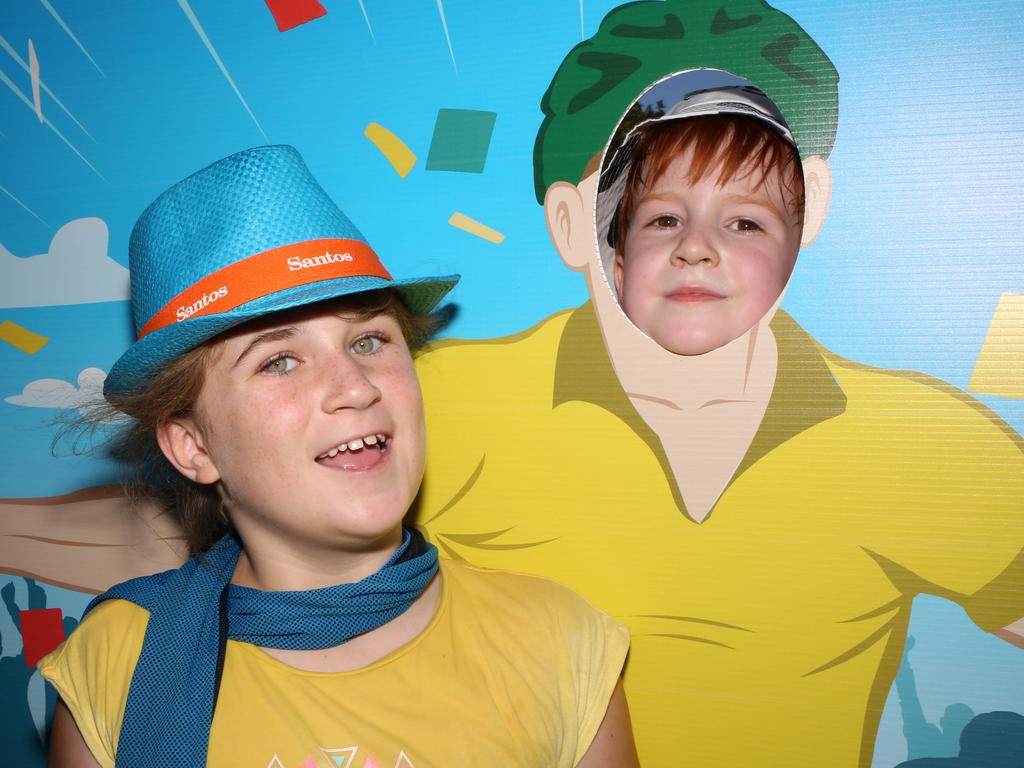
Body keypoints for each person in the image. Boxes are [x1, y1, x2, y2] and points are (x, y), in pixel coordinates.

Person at [37, 145, 636, 768]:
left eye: (370, 339)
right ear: (194, 445)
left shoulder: (557, 642)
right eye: (279, 360)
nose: (356, 385)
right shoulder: (114, 663)